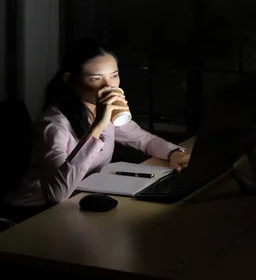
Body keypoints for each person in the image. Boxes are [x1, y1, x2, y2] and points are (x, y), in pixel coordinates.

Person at [2, 39, 190, 219]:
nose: (109, 86)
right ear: (70, 80)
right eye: (95, 78)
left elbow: (144, 139)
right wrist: (98, 127)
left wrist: (174, 152)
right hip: (33, 213)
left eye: (114, 75)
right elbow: (57, 195)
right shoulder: (54, 125)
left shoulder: (103, 110)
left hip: (78, 201)